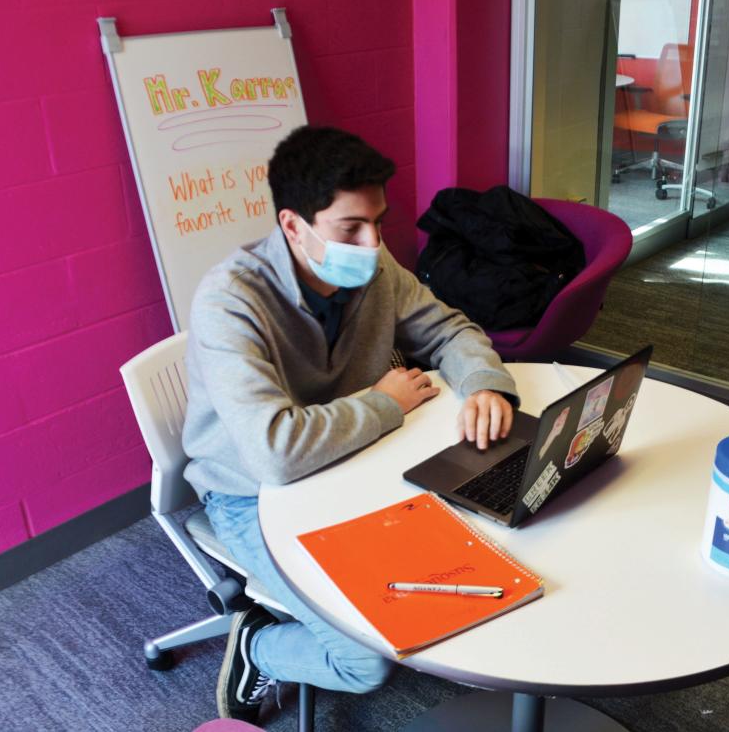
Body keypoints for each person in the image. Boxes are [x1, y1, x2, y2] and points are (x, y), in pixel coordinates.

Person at [182, 125, 519, 724]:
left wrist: (485, 383)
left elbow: (449, 329)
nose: (373, 243)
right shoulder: (229, 301)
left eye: (379, 223)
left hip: (350, 459)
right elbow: (275, 452)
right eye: (351, 229)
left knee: (490, 542)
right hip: (251, 492)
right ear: (292, 226)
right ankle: (257, 643)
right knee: (365, 661)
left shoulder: (371, 265)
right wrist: (385, 403)